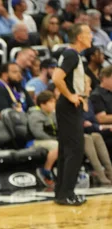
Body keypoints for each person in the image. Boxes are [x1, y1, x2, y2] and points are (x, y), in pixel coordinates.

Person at [52, 23, 92, 206]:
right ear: (79, 37)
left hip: (69, 106)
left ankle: (61, 192)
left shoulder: (73, 55)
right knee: (74, 150)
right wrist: (70, 96)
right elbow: (56, 78)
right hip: (68, 106)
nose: (91, 36)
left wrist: (82, 93)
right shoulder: (71, 54)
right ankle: (67, 193)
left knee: (67, 150)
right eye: (88, 33)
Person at [27, 90, 59, 187]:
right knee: (56, 145)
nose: (54, 104)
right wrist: (54, 139)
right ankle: (46, 170)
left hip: (50, 139)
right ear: (43, 104)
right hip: (35, 141)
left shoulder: (52, 114)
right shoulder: (35, 115)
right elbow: (38, 133)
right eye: (51, 102)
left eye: (54, 101)